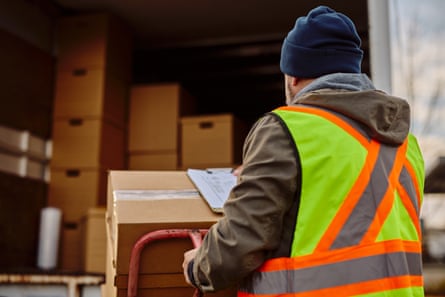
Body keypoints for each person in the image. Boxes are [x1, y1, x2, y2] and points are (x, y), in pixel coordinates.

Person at [183, 5, 425, 297]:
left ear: (293, 75)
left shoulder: (284, 129)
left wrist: (198, 265)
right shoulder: (404, 143)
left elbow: (240, 243)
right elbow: (354, 216)